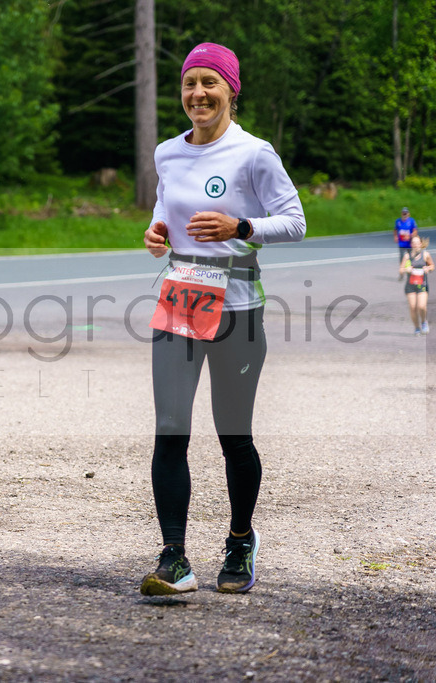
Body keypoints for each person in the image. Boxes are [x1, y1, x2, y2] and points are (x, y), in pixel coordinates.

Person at [140, 43, 306, 595]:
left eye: (209, 83)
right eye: (189, 83)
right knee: (170, 428)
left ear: (231, 91)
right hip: (181, 299)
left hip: (237, 308)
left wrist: (242, 227)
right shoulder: (168, 152)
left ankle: (240, 540)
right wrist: (157, 230)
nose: (198, 94)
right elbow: (166, 206)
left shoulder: (254, 153)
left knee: (233, 435)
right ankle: (174, 559)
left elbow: (295, 222)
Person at [399, 234, 433, 335]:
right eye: (413, 243)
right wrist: (406, 269)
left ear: (421, 244)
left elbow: (432, 266)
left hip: (422, 284)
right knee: (413, 307)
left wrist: (428, 268)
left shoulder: (425, 255)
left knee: (421, 306)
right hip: (410, 285)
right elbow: (401, 270)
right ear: (411, 244)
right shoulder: (407, 256)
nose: (416, 245)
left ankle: (423, 322)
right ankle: (417, 327)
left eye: (417, 243)